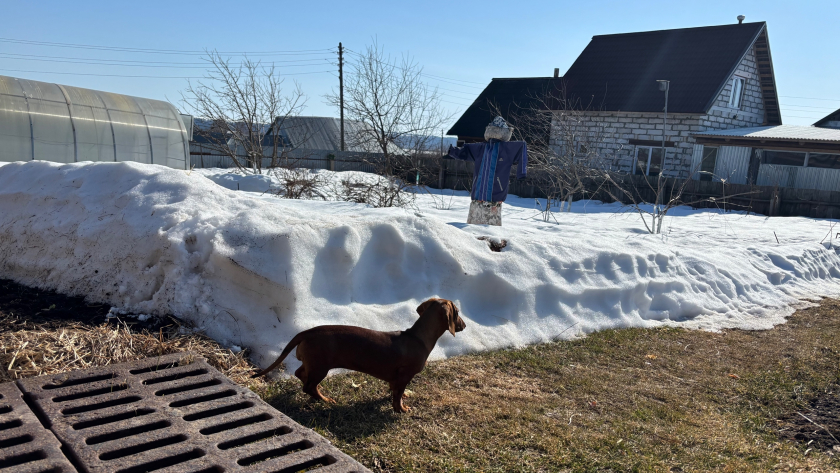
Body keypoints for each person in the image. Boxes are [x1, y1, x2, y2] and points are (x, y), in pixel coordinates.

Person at [446, 116, 527, 225]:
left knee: (485, 227)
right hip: (482, 194)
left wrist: (522, 172)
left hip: (493, 193)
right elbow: (465, 151)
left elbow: (522, 147)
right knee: (480, 227)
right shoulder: (481, 148)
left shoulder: (506, 148)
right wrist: (452, 151)